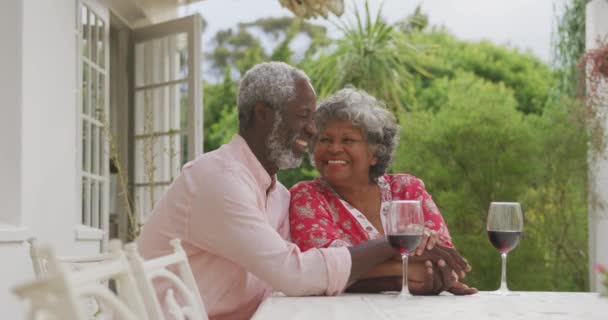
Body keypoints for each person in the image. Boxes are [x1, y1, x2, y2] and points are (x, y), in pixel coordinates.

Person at [136, 62, 451, 320]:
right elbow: (295, 274)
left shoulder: (275, 194)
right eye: (303, 116)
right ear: (263, 114)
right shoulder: (219, 180)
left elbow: (309, 271)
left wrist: (402, 278)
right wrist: (393, 245)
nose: (313, 131)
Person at [289, 87, 477, 295]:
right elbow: (322, 270)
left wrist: (363, 268)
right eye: (324, 140)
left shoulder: (408, 189)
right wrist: (403, 273)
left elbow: (445, 263)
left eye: (347, 140)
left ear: (375, 153)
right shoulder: (306, 197)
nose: (334, 148)